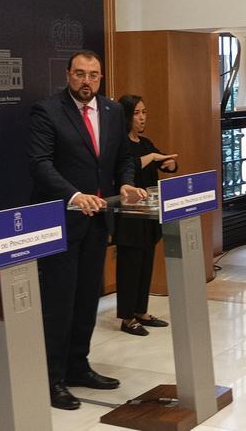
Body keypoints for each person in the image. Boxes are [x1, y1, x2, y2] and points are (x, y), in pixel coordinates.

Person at [28, 50, 143, 410]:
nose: (86, 81)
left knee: (87, 299)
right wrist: (74, 196)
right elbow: (40, 164)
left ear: (101, 78)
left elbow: (124, 157)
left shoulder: (111, 111)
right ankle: (52, 379)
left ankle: (79, 365)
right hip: (60, 220)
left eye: (93, 75)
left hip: (98, 221)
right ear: (68, 75)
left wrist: (124, 184)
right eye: (79, 74)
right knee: (59, 303)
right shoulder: (47, 111)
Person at [112, 95, 177, 337]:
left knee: (146, 262)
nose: (142, 118)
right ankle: (127, 317)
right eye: (137, 113)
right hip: (128, 215)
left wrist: (169, 164)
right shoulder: (119, 144)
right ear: (126, 116)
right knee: (130, 266)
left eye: (144, 112)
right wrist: (152, 159)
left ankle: (141, 310)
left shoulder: (145, 142)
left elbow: (162, 160)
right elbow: (125, 168)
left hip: (149, 213)